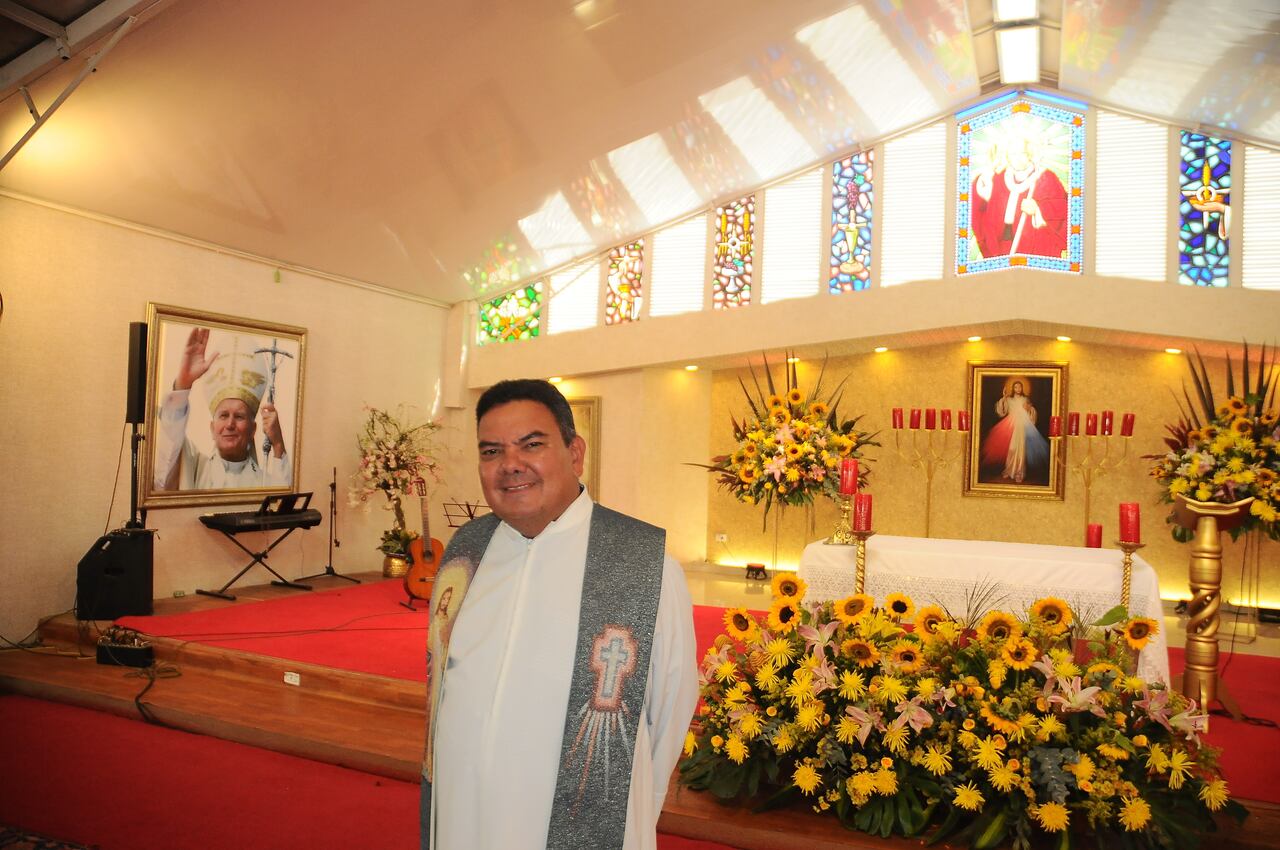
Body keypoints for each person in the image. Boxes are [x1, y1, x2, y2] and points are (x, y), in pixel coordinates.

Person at [421, 379, 697, 850]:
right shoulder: (465, 554)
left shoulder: (641, 564)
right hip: (463, 816)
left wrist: (631, 819)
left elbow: (670, 711)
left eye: (532, 444)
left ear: (574, 452)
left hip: (579, 826)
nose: (510, 465)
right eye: (491, 451)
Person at [152, 326, 292, 490]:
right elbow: (167, 452)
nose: (230, 424)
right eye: (224, 415)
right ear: (212, 428)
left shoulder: (264, 483)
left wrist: (278, 443)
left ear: (253, 429)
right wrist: (183, 384)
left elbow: (283, 504)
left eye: (239, 416)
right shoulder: (193, 469)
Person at [970, 134, 1068, 259]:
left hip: (1034, 247)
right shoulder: (999, 178)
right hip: (1002, 247)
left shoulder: (1046, 178)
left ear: (1029, 154)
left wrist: (1039, 209)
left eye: (1021, 153)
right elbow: (981, 205)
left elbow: (1064, 209)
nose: (1017, 158)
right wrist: (986, 176)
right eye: (1012, 154)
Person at [980, 379, 1049, 484]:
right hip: (1011, 425)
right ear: (1013, 388)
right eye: (1016, 387)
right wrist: (1003, 397)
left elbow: (1032, 412)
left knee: (1020, 449)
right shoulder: (1009, 399)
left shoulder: (1025, 399)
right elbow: (1002, 411)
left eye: (1020, 387)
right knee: (1012, 449)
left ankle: (1019, 473)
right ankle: (1009, 469)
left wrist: (1029, 409)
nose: (1018, 389)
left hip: (1022, 426)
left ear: (1022, 388)